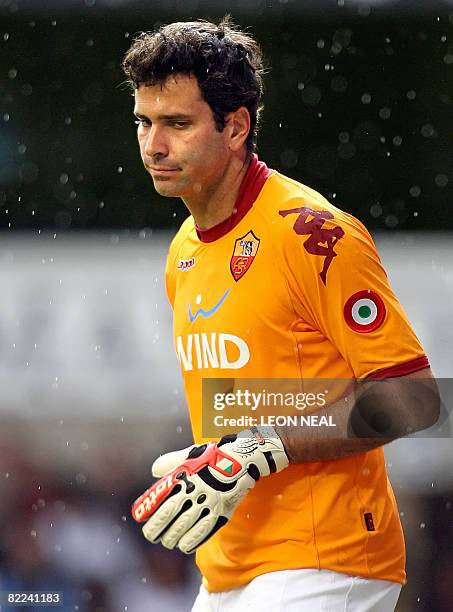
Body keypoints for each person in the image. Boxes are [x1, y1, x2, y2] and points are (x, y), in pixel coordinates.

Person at [122, 17, 439, 612]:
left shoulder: (314, 234)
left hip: (326, 561)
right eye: (144, 121)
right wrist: (217, 456)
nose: (153, 145)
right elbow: (254, 402)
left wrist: (268, 447)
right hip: (227, 570)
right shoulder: (185, 249)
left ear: (236, 125)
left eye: (178, 124)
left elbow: (414, 398)